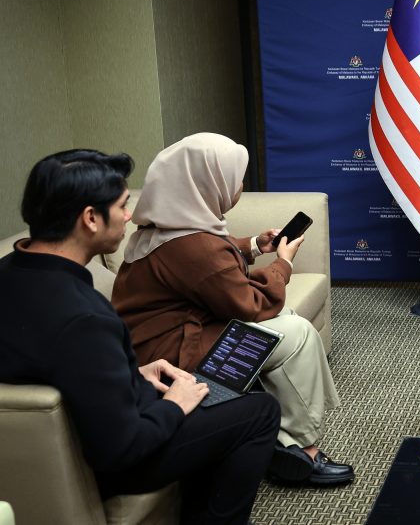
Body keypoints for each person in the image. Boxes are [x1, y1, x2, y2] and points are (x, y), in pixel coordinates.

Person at [0, 149, 281, 524]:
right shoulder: (83, 319)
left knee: (210, 387)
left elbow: (62, 364)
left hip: (83, 422)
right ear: (90, 219)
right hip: (120, 458)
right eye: (122, 206)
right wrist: (175, 405)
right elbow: (122, 447)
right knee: (260, 411)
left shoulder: (11, 271)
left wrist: (133, 374)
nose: (129, 216)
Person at [111, 133, 352, 487]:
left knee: (286, 320)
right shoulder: (195, 247)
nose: (239, 186)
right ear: (206, 182)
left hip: (160, 340)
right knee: (297, 334)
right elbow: (251, 303)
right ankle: (301, 447)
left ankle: (282, 436)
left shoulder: (168, 223)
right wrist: (283, 264)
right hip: (171, 357)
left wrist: (252, 245)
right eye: (235, 178)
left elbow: (208, 265)